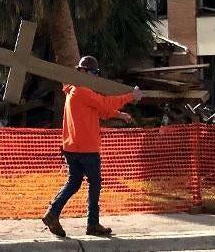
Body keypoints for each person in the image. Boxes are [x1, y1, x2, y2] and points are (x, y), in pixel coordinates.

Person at [41, 55, 142, 238]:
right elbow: (104, 103)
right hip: (87, 148)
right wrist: (130, 96)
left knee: (74, 182)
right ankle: (92, 224)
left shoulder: (73, 90)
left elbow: (100, 110)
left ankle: (53, 213)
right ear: (83, 72)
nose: (95, 76)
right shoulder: (82, 90)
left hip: (72, 147)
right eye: (93, 73)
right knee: (94, 184)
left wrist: (120, 115)